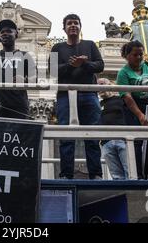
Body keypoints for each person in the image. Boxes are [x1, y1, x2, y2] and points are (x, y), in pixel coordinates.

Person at [51, 14, 104, 180]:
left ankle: (95, 174)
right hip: (65, 96)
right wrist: (70, 65)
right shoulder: (57, 48)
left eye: (76, 23)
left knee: (92, 135)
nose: (73, 25)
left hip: (89, 94)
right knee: (66, 135)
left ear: (80, 26)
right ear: (64, 28)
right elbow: (52, 71)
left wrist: (84, 64)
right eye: (69, 23)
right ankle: (66, 174)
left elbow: (100, 65)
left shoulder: (90, 45)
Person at [116, 40, 148, 179]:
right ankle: (139, 175)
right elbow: (126, 97)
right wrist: (139, 115)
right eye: (135, 55)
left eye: (141, 54)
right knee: (137, 141)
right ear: (127, 56)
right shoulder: (123, 73)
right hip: (134, 108)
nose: (139, 58)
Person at [0, 19, 36, 119]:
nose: (5, 34)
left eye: (9, 31)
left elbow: (35, 78)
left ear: (16, 34)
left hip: (19, 106)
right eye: (2, 32)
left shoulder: (25, 55)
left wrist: (25, 80)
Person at [97, 78, 128, 180]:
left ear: (110, 85)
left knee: (129, 171)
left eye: (102, 84)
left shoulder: (121, 100)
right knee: (116, 175)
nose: (99, 87)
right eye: (97, 85)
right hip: (106, 142)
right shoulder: (98, 105)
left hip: (122, 139)